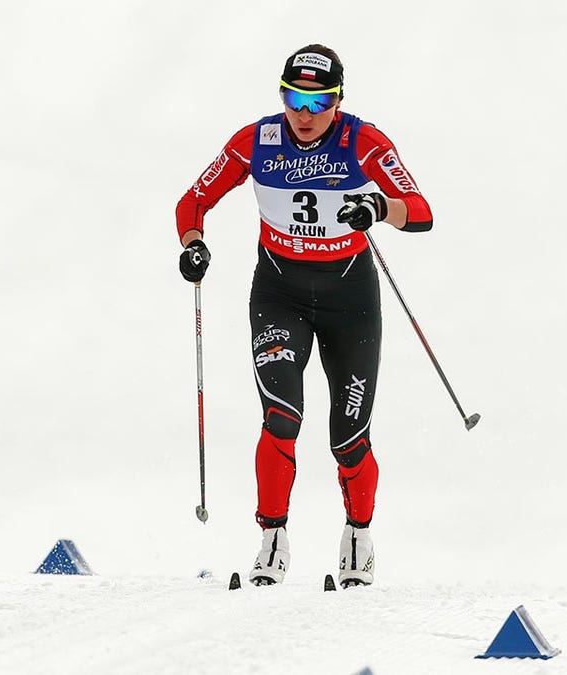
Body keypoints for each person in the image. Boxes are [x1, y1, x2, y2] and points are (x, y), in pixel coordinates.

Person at [174, 44, 432, 588]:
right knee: (281, 416)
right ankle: (271, 539)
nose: (305, 113)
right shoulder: (258, 141)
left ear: (339, 100)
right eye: (294, 98)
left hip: (350, 299)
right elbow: (193, 201)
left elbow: (421, 211)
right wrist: (194, 245)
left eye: (319, 101)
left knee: (349, 435)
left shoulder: (364, 141)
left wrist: (377, 209)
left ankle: (357, 535)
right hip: (280, 293)